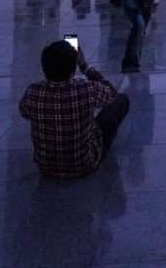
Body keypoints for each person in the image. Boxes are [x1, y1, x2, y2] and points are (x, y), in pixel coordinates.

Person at [19, 39, 130, 177]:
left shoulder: (33, 92)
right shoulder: (86, 89)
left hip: (45, 167)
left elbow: (24, 112)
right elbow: (112, 93)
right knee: (121, 101)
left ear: (44, 67)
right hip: (84, 164)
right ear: (73, 68)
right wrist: (84, 66)